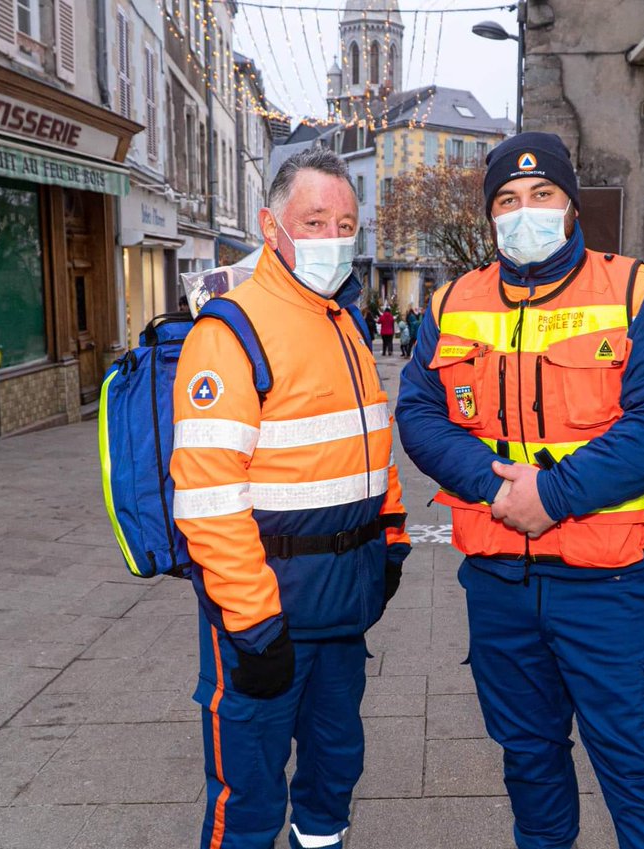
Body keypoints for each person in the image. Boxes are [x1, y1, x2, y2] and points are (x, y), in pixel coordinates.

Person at [396, 132, 644, 849]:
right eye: (507, 200)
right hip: (499, 582)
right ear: (489, 215)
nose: (523, 211)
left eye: (541, 195)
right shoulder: (453, 303)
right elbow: (417, 411)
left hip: (608, 585)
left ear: (570, 205)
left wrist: (554, 495)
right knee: (528, 763)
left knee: (638, 768)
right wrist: (493, 487)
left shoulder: (636, 292)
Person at [171, 148, 411, 849]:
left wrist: (392, 539)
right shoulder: (230, 331)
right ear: (270, 224)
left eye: (345, 223)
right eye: (315, 220)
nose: (332, 238)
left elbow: (373, 443)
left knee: (332, 779)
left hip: (341, 609)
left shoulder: (345, 325)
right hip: (266, 617)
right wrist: (253, 624)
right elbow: (208, 499)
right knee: (248, 798)